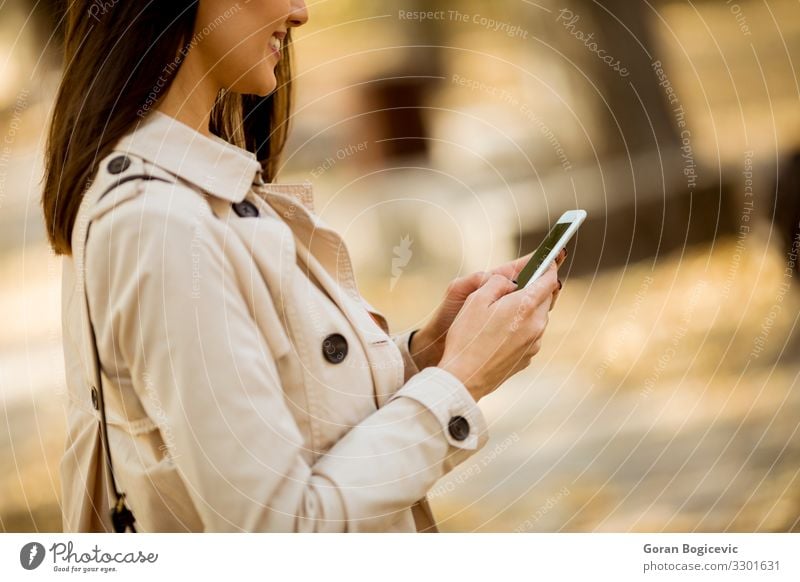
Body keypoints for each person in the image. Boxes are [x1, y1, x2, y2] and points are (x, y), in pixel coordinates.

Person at [42, 0, 565, 532]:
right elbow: (280, 528)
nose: (301, 12)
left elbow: (291, 415)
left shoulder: (183, 189)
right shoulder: (160, 224)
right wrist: (460, 382)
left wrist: (426, 356)